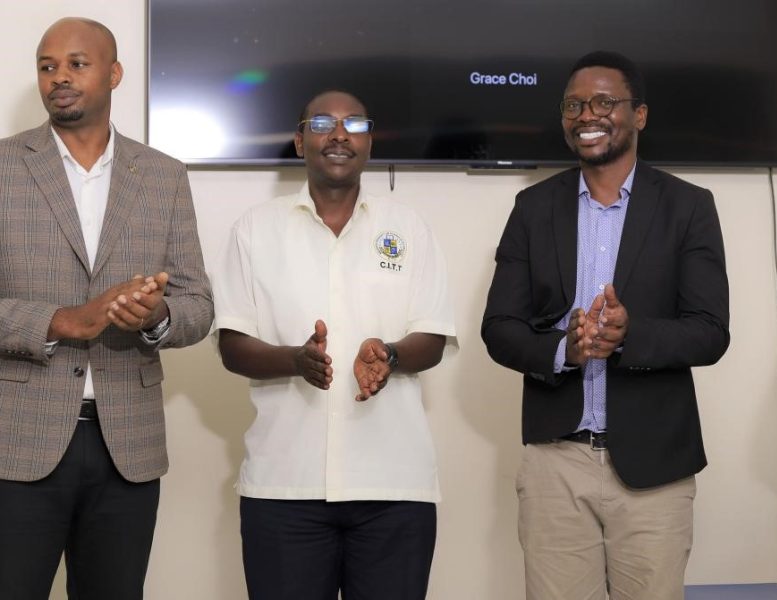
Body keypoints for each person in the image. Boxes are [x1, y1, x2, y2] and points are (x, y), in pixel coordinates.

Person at [481, 51, 730, 600]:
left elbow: (711, 331)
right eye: (573, 104)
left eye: (603, 101)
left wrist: (629, 335)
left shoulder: (689, 207)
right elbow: (499, 326)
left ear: (638, 115)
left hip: (654, 467)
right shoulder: (532, 207)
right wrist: (563, 351)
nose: (586, 114)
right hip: (555, 461)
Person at [0, 17, 214, 600]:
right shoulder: (4, 167)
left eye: (76, 63)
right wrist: (61, 320)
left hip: (129, 447)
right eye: (47, 66)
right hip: (19, 442)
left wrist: (156, 318)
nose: (59, 77)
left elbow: (197, 303)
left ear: (114, 73)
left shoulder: (164, 177)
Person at [213, 89, 456, 600]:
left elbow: (432, 338)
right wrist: (293, 361)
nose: (340, 134)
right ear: (301, 141)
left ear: (371, 142)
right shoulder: (255, 231)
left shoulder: (408, 229)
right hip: (284, 489)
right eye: (323, 122)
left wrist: (388, 355)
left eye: (355, 124)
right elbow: (232, 345)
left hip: (394, 490)